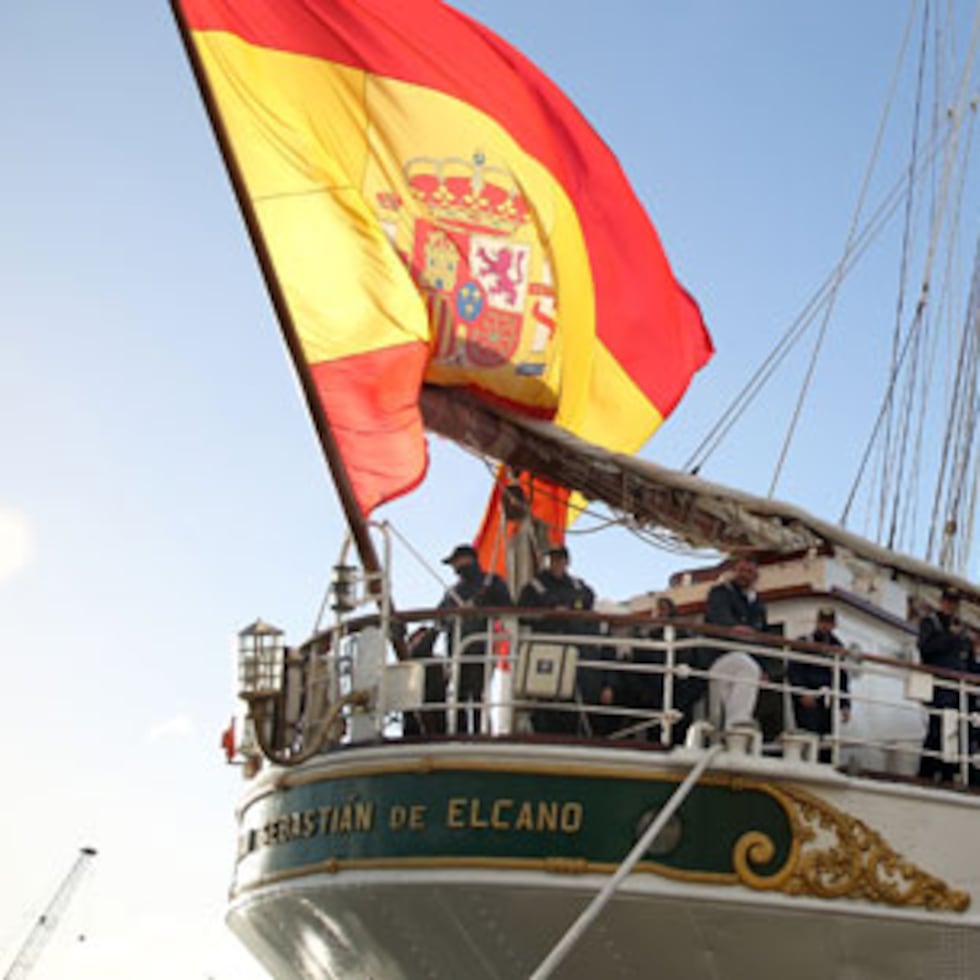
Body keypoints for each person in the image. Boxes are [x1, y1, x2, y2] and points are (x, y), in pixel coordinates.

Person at [518, 545, 597, 734]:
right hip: (546, 647)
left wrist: (573, 612)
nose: (557, 563)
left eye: (560, 559)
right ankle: (543, 733)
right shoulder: (534, 587)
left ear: (567, 562)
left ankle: (570, 734)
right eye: (553, 559)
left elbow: (589, 603)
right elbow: (522, 614)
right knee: (544, 694)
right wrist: (547, 614)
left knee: (571, 694)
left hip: (573, 647)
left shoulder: (579, 586)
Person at [438, 543, 513, 735]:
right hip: (457, 649)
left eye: (455, 562)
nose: (454, 568)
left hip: (482, 646)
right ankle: (460, 732)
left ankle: (481, 731)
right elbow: (440, 619)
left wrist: (482, 607)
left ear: (466, 559)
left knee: (479, 693)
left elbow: (508, 607)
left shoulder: (491, 583)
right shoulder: (453, 592)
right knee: (460, 695)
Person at [703, 556, 768, 730]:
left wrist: (764, 667)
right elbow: (719, 617)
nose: (745, 575)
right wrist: (734, 628)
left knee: (748, 672)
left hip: (742, 660)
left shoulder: (758, 604)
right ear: (734, 572)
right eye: (742, 571)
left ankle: (729, 734)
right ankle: (737, 725)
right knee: (746, 666)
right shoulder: (720, 593)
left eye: (750, 572)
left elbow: (763, 636)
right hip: (719, 657)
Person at [917, 587, 973, 782]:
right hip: (938, 686)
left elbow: (968, 661)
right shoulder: (930, 624)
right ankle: (926, 774)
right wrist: (950, 636)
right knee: (935, 731)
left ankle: (948, 774)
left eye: (954, 603)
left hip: (956, 690)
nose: (951, 606)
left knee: (953, 733)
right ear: (942, 602)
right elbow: (925, 648)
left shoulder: (962, 631)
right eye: (948, 602)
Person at [789, 608, 851, 754]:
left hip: (828, 699)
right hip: (808, 696)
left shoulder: (837, 647)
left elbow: (842, 677)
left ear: (834, 624)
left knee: (827, 739)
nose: (825, 626)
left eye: (829, 622)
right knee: (808, 735)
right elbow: (794, 670)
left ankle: (825, 764)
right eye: (823, 621)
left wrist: (845, 705)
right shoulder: (804, 642)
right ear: (817, 622)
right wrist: (801, 693)